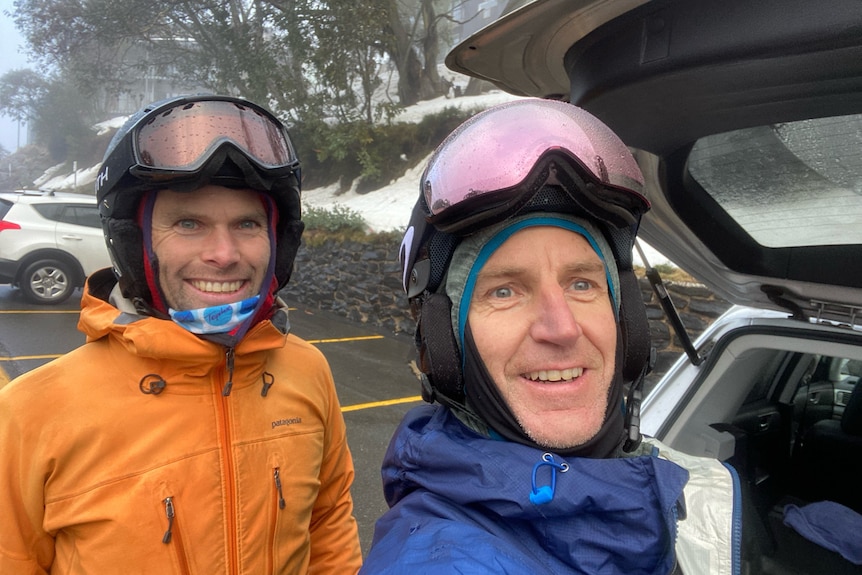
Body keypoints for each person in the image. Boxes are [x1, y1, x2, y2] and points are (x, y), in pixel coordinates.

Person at [360, 99, 742, 574]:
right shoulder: (441, 559)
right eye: (504, 291)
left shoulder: (663, 481)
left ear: (623, 316)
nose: (560, 328)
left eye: (582, 283)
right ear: (447, 344)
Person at [0, 95, 362, 574]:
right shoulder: (30, 411)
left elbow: (329, 523)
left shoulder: (307, 369)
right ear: (136, 242)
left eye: (247, 224)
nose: (224, 253)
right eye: (189, 223)